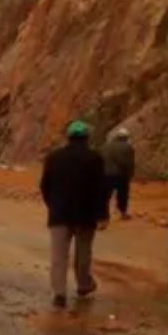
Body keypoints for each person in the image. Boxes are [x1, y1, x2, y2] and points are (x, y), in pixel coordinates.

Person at [40, 120, 109, 308]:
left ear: (68, 137)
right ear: (86, 138)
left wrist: (52, 205)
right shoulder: (95, 159)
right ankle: (84, 285)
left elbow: (45, 186)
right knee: (83, 253)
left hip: (59, 214)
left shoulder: (53, 158)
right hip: (86, 215)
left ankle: (59, 293)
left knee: (58, 256)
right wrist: (102, 215)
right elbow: (100, 190)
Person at [102, 128, 136, 220]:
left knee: (106, 196)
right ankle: (123, 213)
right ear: (126, 137)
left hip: (107, 174)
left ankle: (104, 216)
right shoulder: (128, 147)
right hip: (122, 175)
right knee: (123, 195)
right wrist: (130, 174)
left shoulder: (107, 146)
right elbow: (129, 163)